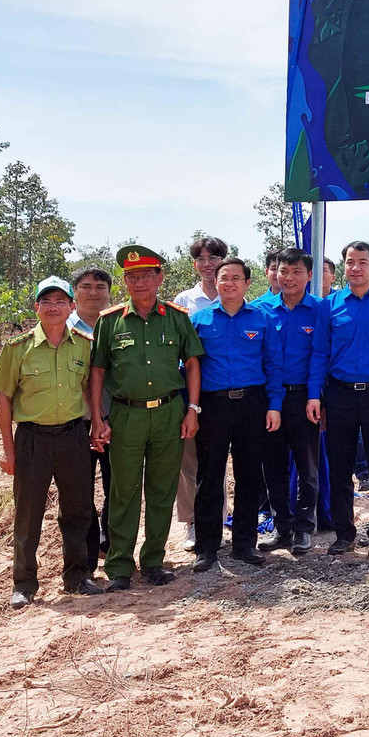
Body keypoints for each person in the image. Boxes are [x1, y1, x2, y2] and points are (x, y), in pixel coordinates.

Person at [89, 246, 204, 591]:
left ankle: (153, 559)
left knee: (161, 489)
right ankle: (120, 565)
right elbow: (97, 372)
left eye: (145, 276)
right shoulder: (110, 321)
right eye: (131, 277)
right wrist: (98, 418)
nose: (138, 283)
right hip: (125, 414)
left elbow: (194, 364)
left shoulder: (177, 317)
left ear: (159, 278)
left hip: (169, 413)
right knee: (123, 491)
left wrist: (192, 410)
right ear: (124, 281)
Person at [0, 276, 104, 607]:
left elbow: (88, 389)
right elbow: (4, 401)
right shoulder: (17, 348)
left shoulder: (84, 344)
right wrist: (8, 451)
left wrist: (96, 422)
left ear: (71, 307)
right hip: (32, 440)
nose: (53, 308)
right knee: (27, 514)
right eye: (46, 302)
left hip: (73, 437)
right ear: (36, 307)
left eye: (60, 302)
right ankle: (24, 584)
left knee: (79, 510)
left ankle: (77, 577)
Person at [189, 258, 284, 572]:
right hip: (212, 406)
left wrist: (274, 405)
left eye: (235, 278)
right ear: (215, 282)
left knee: (249, 476)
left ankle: (245, 544)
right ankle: (207, 548)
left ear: (246, 283)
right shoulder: (199, 320)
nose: (229, 284)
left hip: (252, 404)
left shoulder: (262, 319)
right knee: (209, 477)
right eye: (223, 278)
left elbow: (273, 365)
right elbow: (187, 368)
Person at [315, 241, 369, 560]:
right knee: (340, 467)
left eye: (362, 262)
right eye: (350, 262)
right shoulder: (330, 305)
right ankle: (343, 533)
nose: (355, 267)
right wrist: (319, 397)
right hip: (339, 395)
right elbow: (321, 353)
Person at [254, 248, 328, 554]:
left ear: (309, 275)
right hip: (270, 400)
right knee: (273, 467)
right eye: (283, 271)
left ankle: (303, 528)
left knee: (307, 466)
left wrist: (314, 396)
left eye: (297, 271)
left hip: (303, 399)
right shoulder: (260, 310)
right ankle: (281, 527)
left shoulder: (320, 310)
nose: (289, 277)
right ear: (274, 272)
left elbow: (320, 356)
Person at [174, 235, 228, 551]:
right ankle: (193, 523)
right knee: (190, 460)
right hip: (190, 390)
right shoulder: (184, 301)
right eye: (202, 259)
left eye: (214, 258)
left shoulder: (234, 296)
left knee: (217, 460)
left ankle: (217, 522)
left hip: (224, 391)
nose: (208, 264)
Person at [69, 266, 115, 559]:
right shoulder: (62, 327)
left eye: (100, 287)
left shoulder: (119, 324)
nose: (94, 293)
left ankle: (111, 544)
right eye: (86, 286)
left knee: (119, 487)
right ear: (75, 292)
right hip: (76, 423)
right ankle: (84, 555)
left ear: (110, 293)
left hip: (118, 421)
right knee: (79, 491)